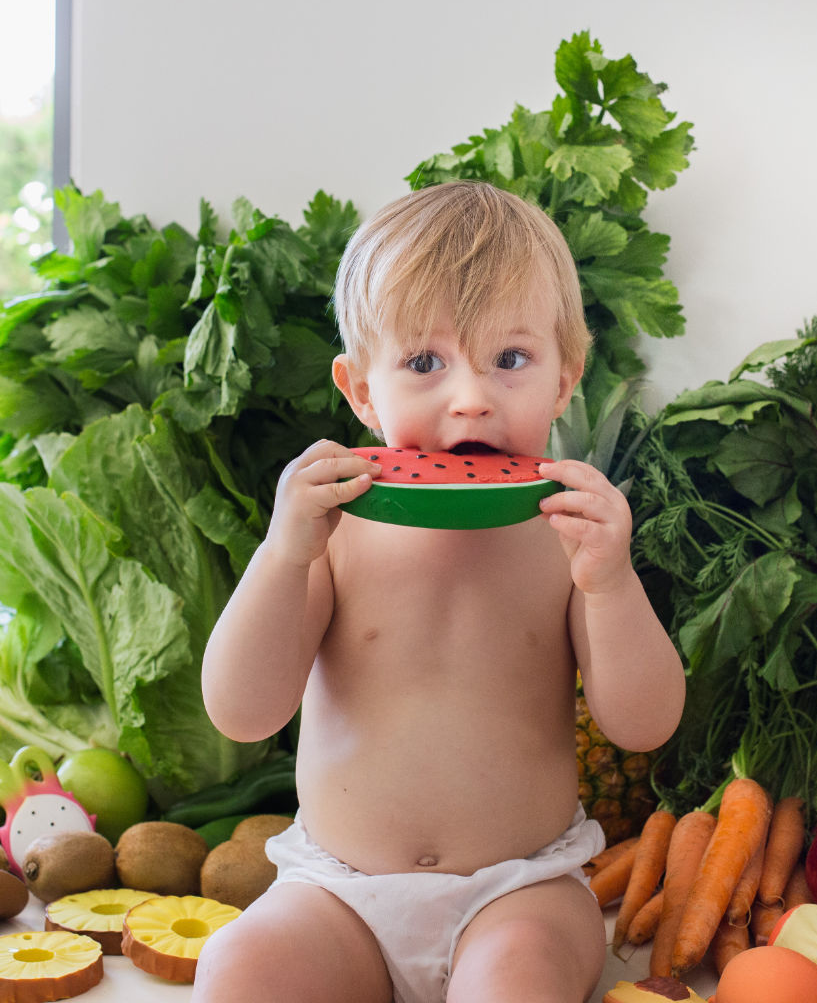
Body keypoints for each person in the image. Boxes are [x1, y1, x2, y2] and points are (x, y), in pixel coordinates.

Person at [195, 181, 686, 1003]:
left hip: (519, 889)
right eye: (424, 363)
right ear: (359, 389)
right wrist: (283, 556)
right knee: (237, 971)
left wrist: (610, 581)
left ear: (564, 380)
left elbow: (644, 725)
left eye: (509, 360)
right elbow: (242, 713)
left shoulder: (567, 540)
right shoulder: (332, 533)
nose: (471, 398)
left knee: (518, 977)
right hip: (337, 891)